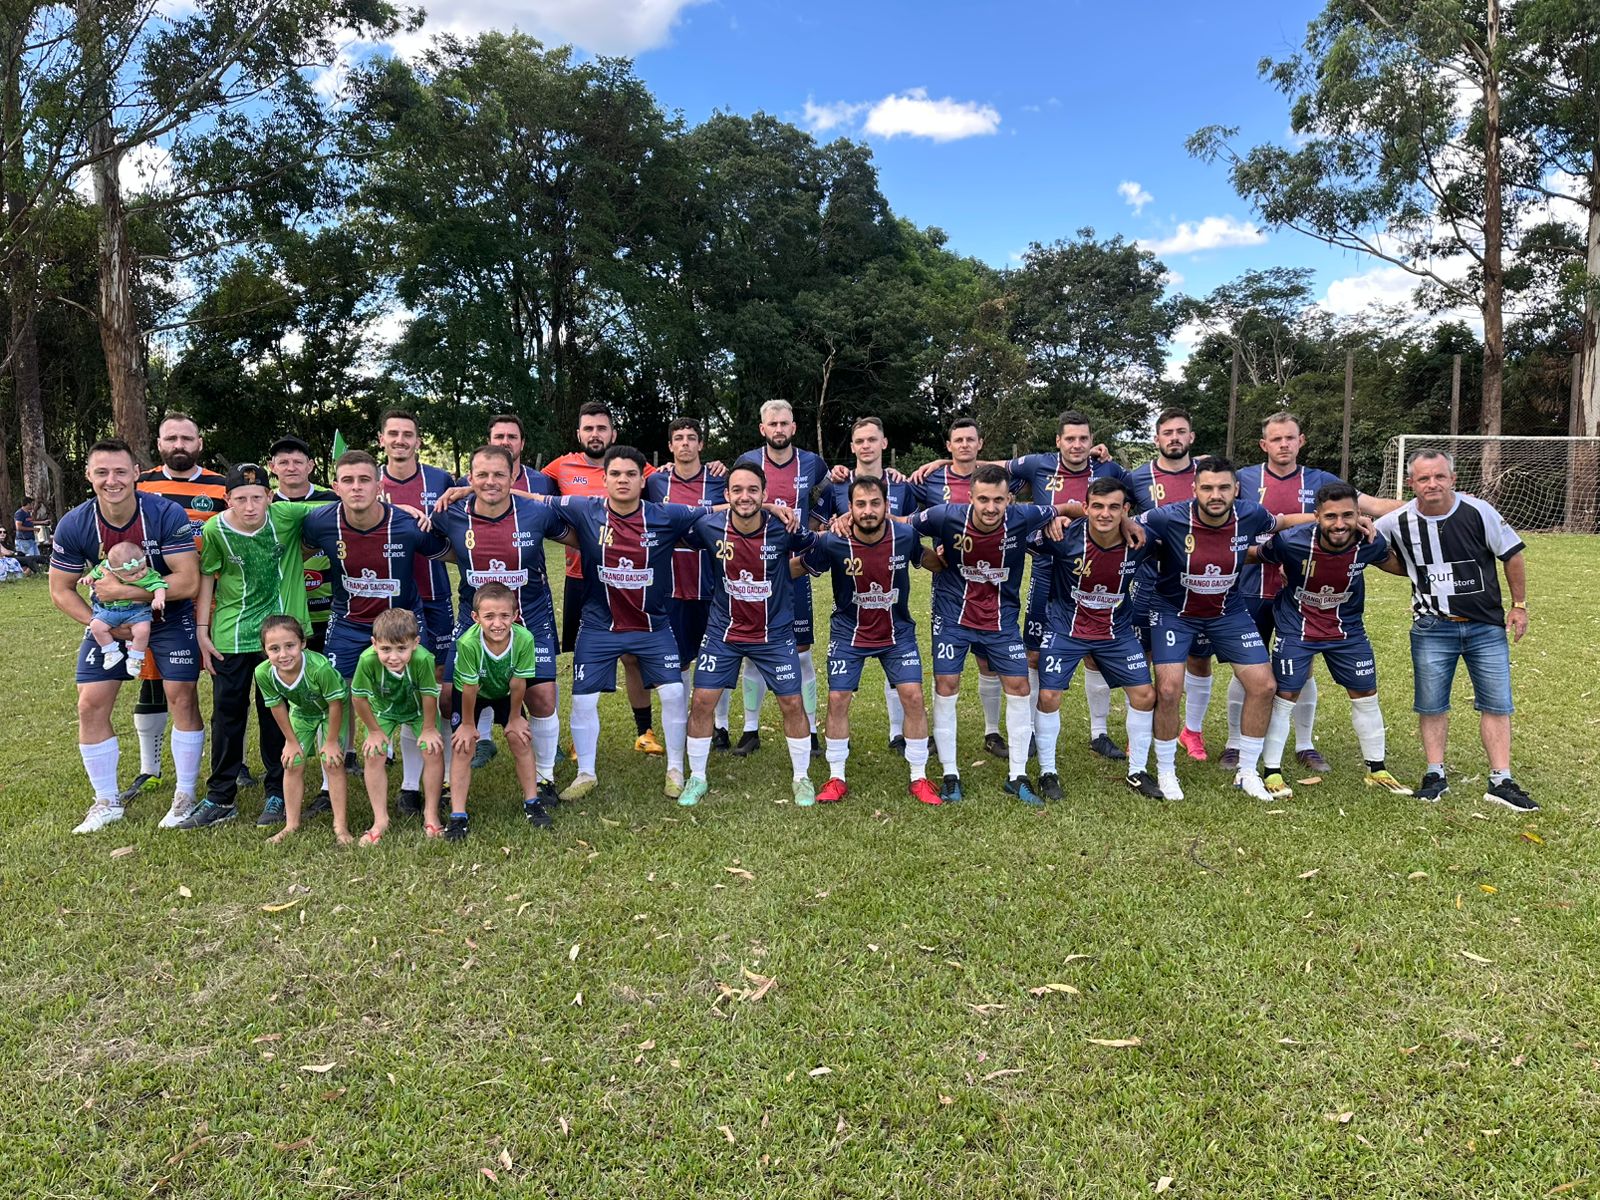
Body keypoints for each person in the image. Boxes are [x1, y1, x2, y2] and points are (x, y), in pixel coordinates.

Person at [551, 446, 781, 801]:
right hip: (599, 625)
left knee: (674, 693)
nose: (623, 480)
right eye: (616, 474)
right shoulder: (585, 508)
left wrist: (768, 507)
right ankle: (586, 774)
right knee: (583, 699)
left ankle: (675, 769)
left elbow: (716, 509)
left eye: (631, 474)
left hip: (652, 625)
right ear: (605, 479)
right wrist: (473, 489)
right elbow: (534, 501)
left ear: (643, 480)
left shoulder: (665, 514)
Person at [1223, 411, 1403, 773]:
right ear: (1264, 444)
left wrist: (1435, 502)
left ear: (1301, 441)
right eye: (1276, 439)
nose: (1284, 445)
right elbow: (1206, 486)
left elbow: (1373, 505)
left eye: (1290, 438)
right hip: (1253, 587)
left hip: (1304, 592)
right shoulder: (1244, 478)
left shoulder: (1322, 480)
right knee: (1249, 668)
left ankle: (1305, 745)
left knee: (1302, 670)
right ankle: (1234, 743)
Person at [1139, 456, 1321, 803]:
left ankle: (1247, 772)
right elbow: (1125, 524)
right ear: (1194, 489)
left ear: (1236, 489)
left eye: (1224, 487)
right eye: (1207, 487)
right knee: (1169, 688)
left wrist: (1325, 517)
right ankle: (1165, 771)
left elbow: (1283, 521)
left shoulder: (1251, 514)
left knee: (1264, 685)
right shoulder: (1168, 516)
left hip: (1228, 611)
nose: (1215, 494)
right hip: (1174, 611)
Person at [49, 439, 205, 833]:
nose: (112, 480)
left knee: (182, 696)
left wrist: (123, 591)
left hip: (168, 616)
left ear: (136, 473)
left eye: (120, 471)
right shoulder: (75, 523)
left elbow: (188, 581)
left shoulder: (164, 513)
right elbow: (60, 589)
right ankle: (106, 801)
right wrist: (97, 622)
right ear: (89, 475)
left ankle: (185, 795)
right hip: (109, 620)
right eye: (102, 472)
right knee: (90, 704)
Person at [905, 463, 1085, 805]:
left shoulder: (1025, 516)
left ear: (1009, 500)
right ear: (970, 497)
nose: (990, 507)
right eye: (983, 499)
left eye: (998, 500)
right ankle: (950, 773)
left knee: (1019, 686)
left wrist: (1071, 519)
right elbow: (900, 525)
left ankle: (1017, 776)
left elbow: (1072, 507)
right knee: (947, 684)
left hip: (1001, 620)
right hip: (953, 617)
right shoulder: (944, 515)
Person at [1374, 449, 1536, 811]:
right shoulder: (1396, 522)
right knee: (1431, 705)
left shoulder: (1479, 511)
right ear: (1411, 483)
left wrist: (1519, 605)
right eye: (1424, 478)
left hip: (1485, 626)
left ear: (1453, 479)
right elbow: (1373, 549)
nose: (1432, 484)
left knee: (1496, 703)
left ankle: (1501, 780)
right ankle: (1435, 775)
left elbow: (1512, 554)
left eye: (1439, 476)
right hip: (1432, 628)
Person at [430, 444, 569, 818]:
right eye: (482, 475)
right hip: (474, 621)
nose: (490, 481)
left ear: (513, 477)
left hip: (530, 618)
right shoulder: (449, 513)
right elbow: (423, 538)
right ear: (469, 478)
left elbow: (578, 534)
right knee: (448, 697)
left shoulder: (537, 513)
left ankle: (544, 778)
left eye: (499, 474)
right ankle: (448, 780)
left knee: (542, 698)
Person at [1252, 482, 1412, 799]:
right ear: (1317, 517)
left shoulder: (1369, 542)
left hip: (1347, 630)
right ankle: (1272, 771)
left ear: (1359, 515)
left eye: (1347, 515)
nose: (1340, 524)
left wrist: (1434, 562)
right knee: (1286, 694)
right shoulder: (1291, 541)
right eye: (1331, 516)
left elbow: (1399, 566)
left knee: (1365, 693)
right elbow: (1254, 555)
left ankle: (1377, 770)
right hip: (1297, 628)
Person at [187, 464, 320, 830]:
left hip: (278, 636)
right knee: (227, 711)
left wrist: (401, 507)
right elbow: (208, 577)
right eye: (241, 498)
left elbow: (342, 507)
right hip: (232, 632)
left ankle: (276, 791)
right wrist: (202, 631)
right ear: (227, 499)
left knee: (275, 712)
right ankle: (220, 796)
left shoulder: (286, 516)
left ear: (270, 496)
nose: (250, 506)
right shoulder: (215, 529)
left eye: (257, 497)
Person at [677, 463, 816, 807]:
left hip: (774, 634)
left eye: (753, 490)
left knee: (792, 702)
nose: (745, 496)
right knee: (702, 701)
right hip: (723, 632)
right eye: (737, 490)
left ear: (764, 493)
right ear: (726, 495)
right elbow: (672, 528)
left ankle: (801, 777)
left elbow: (818, 544)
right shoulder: (709, 526)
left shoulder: (784, 527)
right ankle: (697, 777)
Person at [798, 474, 941, 806]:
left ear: (886, 505)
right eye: (860, 504)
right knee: (838, 698)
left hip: (896, 632)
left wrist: (954, 562)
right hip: (849, 632)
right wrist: (762, 570)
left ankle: (919, 777)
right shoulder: (834, 541)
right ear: (849, 508)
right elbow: (799, 566)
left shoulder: (904, 536)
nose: (868, 511)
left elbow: (929, 561)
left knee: (913, 696)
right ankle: (836, 776)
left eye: (875, 503)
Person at [1006, 411, 1136, 763]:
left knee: (1095, 650)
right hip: (1047, 567)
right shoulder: (1038, 464)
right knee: (1033, 652)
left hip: (1094, 571)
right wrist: (942, 462)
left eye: (1083, 439)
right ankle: (1031, 731)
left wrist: (1124, 519)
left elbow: (1138, 493)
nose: (1077, 445)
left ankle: (1098, 733)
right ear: (1058, 441)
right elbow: (993, 470)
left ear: (1092, 441)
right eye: (1070, 439)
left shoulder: (1108, 469)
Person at [542, 404, 665, 756]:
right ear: (579, 434)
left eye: (601, 428)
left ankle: (644, 732)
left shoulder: (635, 467)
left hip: (626, 578)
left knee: (632, 658)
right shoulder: (559, 467)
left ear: (613, 433)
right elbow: (525, 488)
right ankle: (579, 738)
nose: (595, 434)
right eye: (588, 428)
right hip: (581, 577)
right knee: (586, 657)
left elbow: (670, 484)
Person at [1029, 477, 1160, 799]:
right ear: (1085, 507)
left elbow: (1178, 548)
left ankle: (1137, 771)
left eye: (1114, 507)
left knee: (1145, 695)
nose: (1105, 514)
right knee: (1049, 695)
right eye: (1097, 506)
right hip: (1066, 628)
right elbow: (1015, 533)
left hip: (1116, 631)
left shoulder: (1141, 540)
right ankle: (1047, 771)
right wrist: (1054, 518)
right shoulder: (1062, 536)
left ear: (1126, 510)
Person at [121, 413, 228, 806]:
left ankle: (230, 761)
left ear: (200, 443)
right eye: (171, 439)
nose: (179, 445)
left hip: (214, 598)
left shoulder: (221, 486)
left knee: (226, 680)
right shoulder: (141, 484)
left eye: (186, 438)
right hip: (156, 600)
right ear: (159, 444)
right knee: (153, 680)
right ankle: (149, 769)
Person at [907, 417, 1012, 760]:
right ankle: (939, 732)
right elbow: (908, 517)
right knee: (945, 664)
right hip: (949, 578)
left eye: (970, 440)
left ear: (980, 445)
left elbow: (1033, 471)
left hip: (992, 580)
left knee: (988, 662)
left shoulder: (996, 478)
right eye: (958, 440)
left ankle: (992, 731)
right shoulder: (930, 478)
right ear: (949, 445)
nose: (965, 445)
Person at [813, 415, 918, 752]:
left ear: (884, 443)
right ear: (853, 447)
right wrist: (833, 524)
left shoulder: (901, 485)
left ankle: (897, 733)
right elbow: (816, 529)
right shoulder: (836, 483)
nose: (866, 446)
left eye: (872, 439)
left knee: (899, 670)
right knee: (841, 691)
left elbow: (914, 526)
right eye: (859, 441)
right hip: (852, 594)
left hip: (891, 589)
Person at [733, 399, 830, 758]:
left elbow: (828, 496)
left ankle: (812, 730)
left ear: (793, 427)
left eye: (784, 423)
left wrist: (814, 528)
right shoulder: (747, 461)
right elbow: (735, 501)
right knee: (751, 653)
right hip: (752, 570)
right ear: (762, 428)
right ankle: (750, 729)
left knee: (802, 653)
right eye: (772, 424)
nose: (778, 429)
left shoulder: (812, 463)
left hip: (793, 571)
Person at [377, 409, 461, 792]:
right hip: (391, 598)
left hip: (434, 590)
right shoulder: (370, 480)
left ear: (418, 440)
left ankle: (444, 767)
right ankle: (406, 769)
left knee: (439, 679)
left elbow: (472, 500)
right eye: (393, 433)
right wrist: (396, 511)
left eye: (407, 434)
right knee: (399, 675)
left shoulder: (440, 479)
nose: (400, 440)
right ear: (382, 439)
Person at [1125, 407, 1214, 764]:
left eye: (1181, 432)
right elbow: (1119, 513)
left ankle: (1192, 731)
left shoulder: (1209, 473)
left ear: (1191, 437)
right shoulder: (1137, 477)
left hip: (1201, 582)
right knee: (1144, 657)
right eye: (1167, 432)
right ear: (1157, 438)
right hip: (1150, 578)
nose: (1174, 438)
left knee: (1199, 659)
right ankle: (1140, 732)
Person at [644, 418, 730, 748]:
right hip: (671, 586)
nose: (684, 443)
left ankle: (721, 726)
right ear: (670, 446)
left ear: (701, 444)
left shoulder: (719, 478)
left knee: (717, 659)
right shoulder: (656, 481)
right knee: (678, 662)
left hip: (712, 584)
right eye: (678, 438)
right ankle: (681, 727)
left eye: (691, 438)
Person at [268, 435, 339, 818]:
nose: (291, 467)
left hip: (332, 610)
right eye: (283, 462)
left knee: (331, 691)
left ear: (311, 465)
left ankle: (333, 771)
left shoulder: (332, 499)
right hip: (285, 618)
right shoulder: (263, 505)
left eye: (298, 461)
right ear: (272, 467)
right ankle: (284, 768)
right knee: (291, 695)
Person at [442, 583, 545, 841]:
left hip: (505, 692)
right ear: (475, 617)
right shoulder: (468, 643)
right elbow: (470, 688)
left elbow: (518, 682)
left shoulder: (524, 639)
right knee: (463, 746)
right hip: (471, 695)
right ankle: (458, 815)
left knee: (520, 738)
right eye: (489, 616)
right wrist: (468, 725)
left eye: (504, 616)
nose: (497, 623)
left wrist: (515, 718)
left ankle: (533, 802)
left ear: (515, 615)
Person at [349, 607, 445, 844]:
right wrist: (374, 731)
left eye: (401, 648)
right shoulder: (367, 660)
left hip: (419, 710)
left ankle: (431, 813)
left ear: (415, 643)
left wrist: (429, 729)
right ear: (374, 644)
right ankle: (380, 819)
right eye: (385, 649)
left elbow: (429, 695)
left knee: (432, 750)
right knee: (374, 754)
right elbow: (358, 698)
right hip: (384, 711)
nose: (393, 657)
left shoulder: (424, 659)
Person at [255, 614, 351, 844]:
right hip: (302, 712)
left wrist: (331, 741)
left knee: (332, 762)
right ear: (265, 650)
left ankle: (341, 826)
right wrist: (290, 741)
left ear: (303, 643)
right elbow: (277, 706)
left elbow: (335, 703)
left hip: (331, 711)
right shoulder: (263, 673)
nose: (283, 654)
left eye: (290, 646)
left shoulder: (320, 668)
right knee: (292, 762)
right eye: (274, 649)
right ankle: (291, 824)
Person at [84, 542, 168, 674]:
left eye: (142, 568)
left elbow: (159, 585)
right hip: (110, 610)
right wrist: (88, 578)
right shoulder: (106, 568)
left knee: (143, 630)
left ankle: (135, 658)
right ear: (115, 571)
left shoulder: (148, 575)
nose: (140, 575)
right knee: (96, 626)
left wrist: (158, 598)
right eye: (132, 574)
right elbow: (95, 571)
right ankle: (111, 651)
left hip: (137, 611)